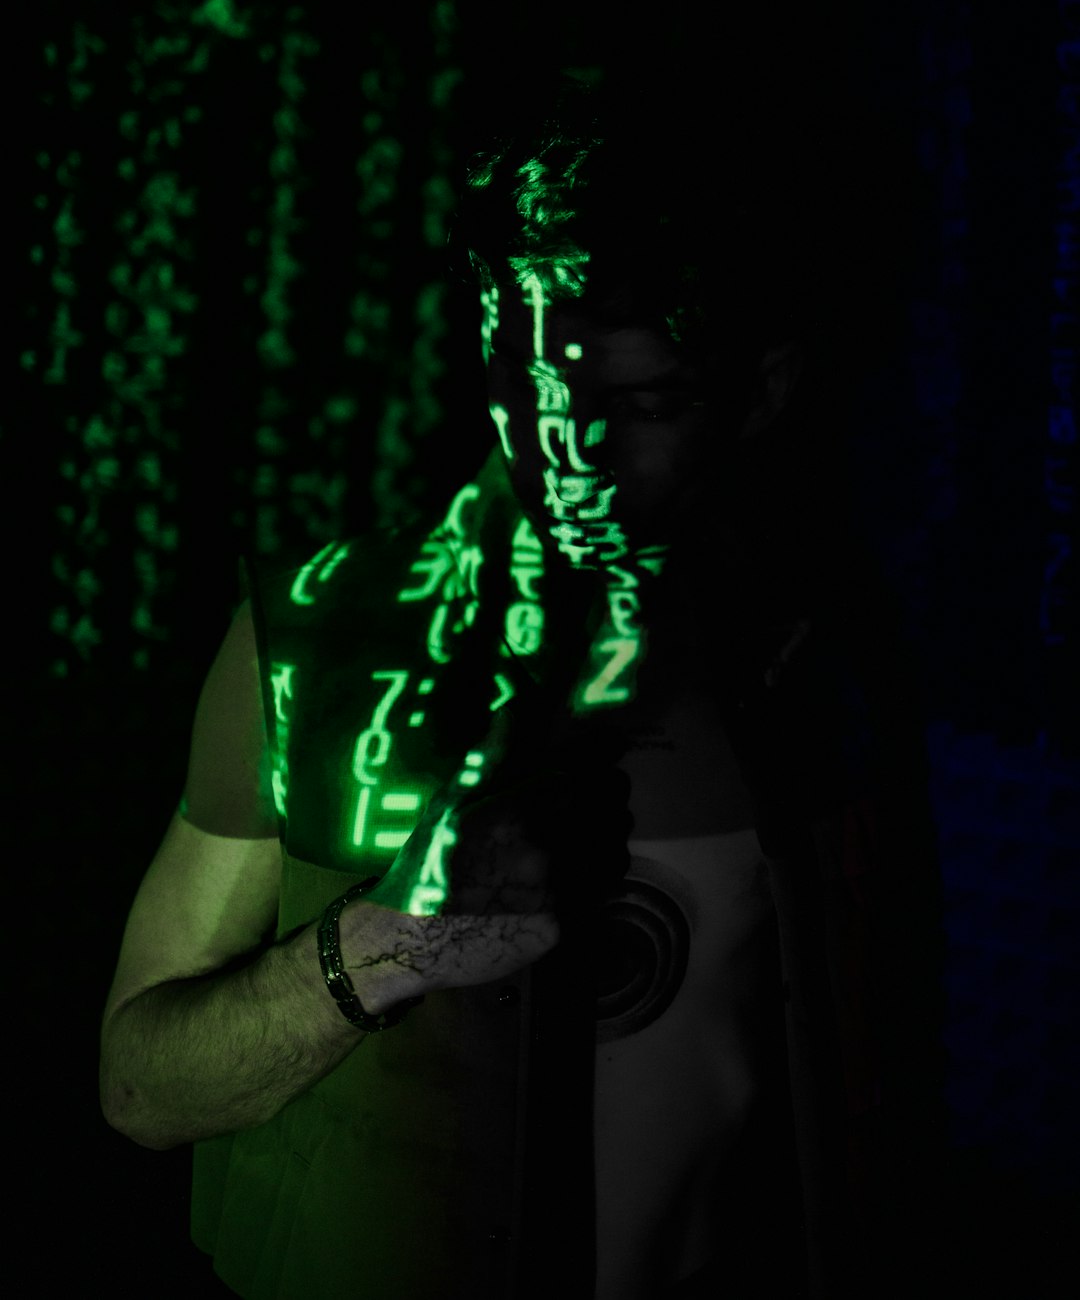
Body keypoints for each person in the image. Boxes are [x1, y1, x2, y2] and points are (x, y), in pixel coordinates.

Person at [99, 68, 947, 1299]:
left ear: (763, 389)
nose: (566, 452)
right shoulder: (317, 637)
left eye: (638, 401)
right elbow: (139, 1087)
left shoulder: (826, 660)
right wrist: (393, 941)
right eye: (527, 382)